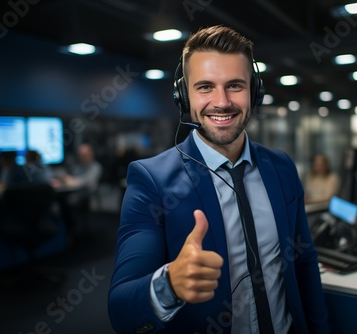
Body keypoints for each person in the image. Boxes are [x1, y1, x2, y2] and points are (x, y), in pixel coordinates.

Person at [108, 25, 329, 334]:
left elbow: (304, 261)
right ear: (183, 96)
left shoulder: (281, 167)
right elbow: (120, 309)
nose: (222, 102)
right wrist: (170, 283)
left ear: (254, 91)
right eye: (205, 87)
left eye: (235, 86)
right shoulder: (151, 181)